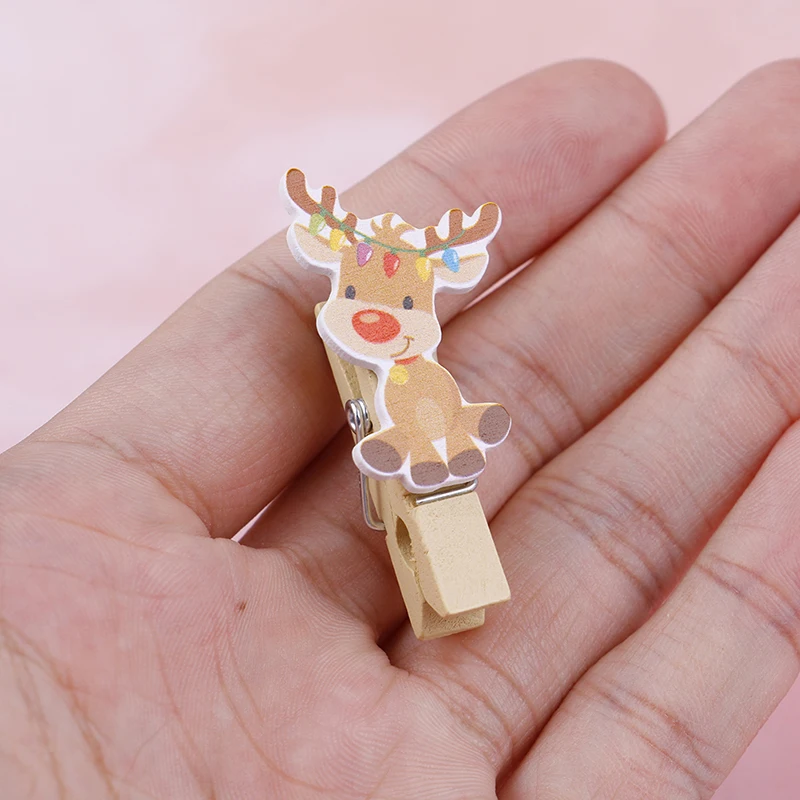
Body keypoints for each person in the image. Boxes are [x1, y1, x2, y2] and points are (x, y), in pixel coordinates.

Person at [2, 58, 800, 799]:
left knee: (428, 441)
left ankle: (438, 449)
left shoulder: (415, 357)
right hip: (405, 445)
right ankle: (418, 457)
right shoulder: (354, 347)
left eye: (405, 303)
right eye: (364, 299)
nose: (382, 315)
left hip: (429, 428)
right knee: (409, 454)